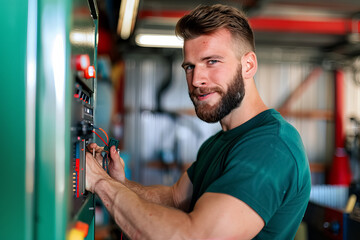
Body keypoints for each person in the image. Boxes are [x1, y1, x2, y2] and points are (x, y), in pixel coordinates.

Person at [86, 4, 311, 239]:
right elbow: (175, 199)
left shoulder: (271, 146)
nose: (196, 79)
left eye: (212, 61)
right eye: (190, 67)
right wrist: (118, 181)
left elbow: (195, 235)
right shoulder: (218, 143)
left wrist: (101, 183)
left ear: (248, 65)